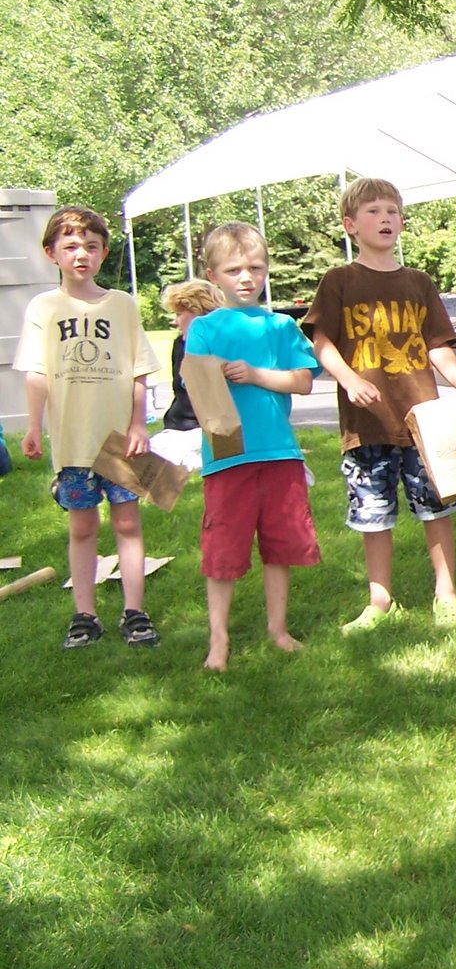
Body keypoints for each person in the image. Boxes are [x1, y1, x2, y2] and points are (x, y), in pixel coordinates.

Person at [303, 177, 456, 632]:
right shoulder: (339, 281)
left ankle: (447, 594)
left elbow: (436, 344)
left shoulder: (418, 282)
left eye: (392, 211)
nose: (385, 219)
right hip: (367, 424)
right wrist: (349, 379)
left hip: (424, 422)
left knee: (437, 509)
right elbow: (321, 341)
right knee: (374, 516)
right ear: (350, 225)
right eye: (373, 211)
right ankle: (380, 601)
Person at [13, 207, 161, 650]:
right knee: (82, 528)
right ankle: (85, 615)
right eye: (72, 246)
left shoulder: (122, 305)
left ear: (104, 253)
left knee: (128, 524)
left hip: (121, 441)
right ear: (51, 253)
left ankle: (135, 612)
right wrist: (33, 426)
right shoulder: (43, 307)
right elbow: (37, 371)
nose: (82, 254)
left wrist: (138, 425)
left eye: (92, 246)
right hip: (73, 441)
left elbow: (138, 370)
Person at [185, 223, 321, 671]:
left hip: (279, 453)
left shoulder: (280, 325)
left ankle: (278, 630)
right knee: (222, 550)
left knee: (280, 547)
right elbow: (199, 388)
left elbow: (302, 381)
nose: (246, 277)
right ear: (212, 275)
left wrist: (256, 374)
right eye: (233, 270)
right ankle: (218, 640)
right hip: (227, 459)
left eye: (256, 268)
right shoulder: (203, 328)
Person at [148, 278, 227, 471]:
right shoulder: (179, 344)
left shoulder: (223, 345)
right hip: (177, 427)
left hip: (209, 431)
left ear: (198, 312)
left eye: (179, 314)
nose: (175, 322)